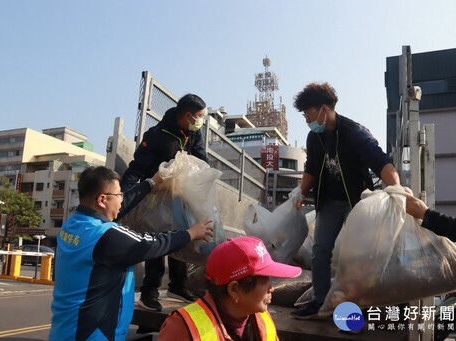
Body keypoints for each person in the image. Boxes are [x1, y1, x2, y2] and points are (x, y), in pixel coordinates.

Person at [49, 166, 213, 341]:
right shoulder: (104, 236)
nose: (122, 199)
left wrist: (152, 182)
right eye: (119, 195)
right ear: (102, 200)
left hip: (66, 331)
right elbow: (152, 243)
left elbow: (123, 204)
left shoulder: (73, 224)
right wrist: (190, 233)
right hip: (91, 335)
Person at [289, 82, 400, 319]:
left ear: (324, 109)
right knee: (320, 251)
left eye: (309, 114)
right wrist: (300, 192)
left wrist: (397, 189)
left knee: (356, 255)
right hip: (328, 202)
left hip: (356, 203)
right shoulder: (313, 138)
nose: (308, 121)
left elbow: (380, 160)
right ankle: (319, 302)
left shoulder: (354, 132)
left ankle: (354, 309)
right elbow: (311, 168)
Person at [120, 93, 208, 311]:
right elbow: (137, 167)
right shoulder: (157, 135)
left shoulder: (194, 132)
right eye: (199, 116)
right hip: (155, 196)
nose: (201, 120)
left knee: (182, 236)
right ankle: (149, 292)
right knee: (157, 239)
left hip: (180, 197)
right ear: (188, 115)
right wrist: (123, 195)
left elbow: (201, 158)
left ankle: (178, 285)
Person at [158, 236, 302, 341]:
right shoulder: (182, 328)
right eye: (264, 280)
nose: (272, 288)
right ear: (234, 290)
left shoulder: (262, 318)